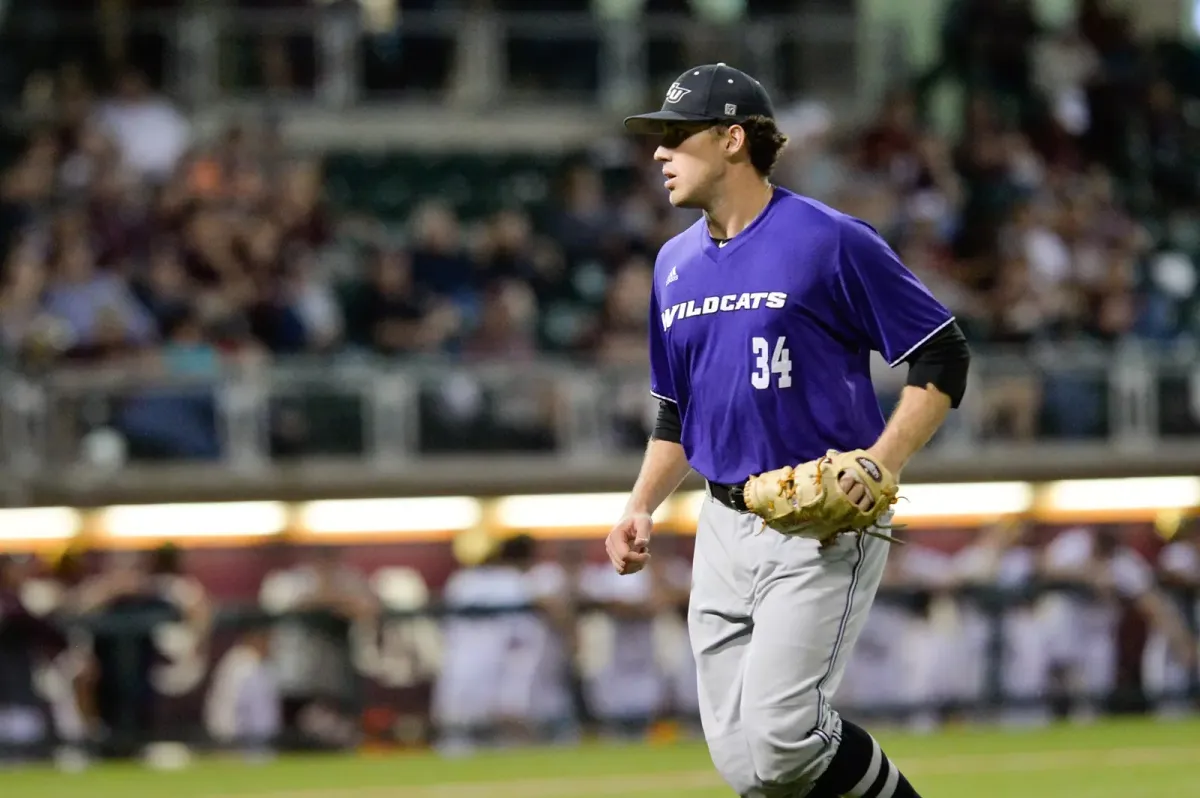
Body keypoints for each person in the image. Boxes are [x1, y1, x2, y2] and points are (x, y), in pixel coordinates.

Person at [606, 64, 971, 798]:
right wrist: (640, 502)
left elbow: (942, 351)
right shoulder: (672, 265)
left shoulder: (828, 239)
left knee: (782, 739)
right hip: (722, 522)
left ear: (733, 139)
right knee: (748, 768)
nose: (658, 153)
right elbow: (678, 409)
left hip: (820, 522)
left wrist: (882, 462)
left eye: (677, 136)